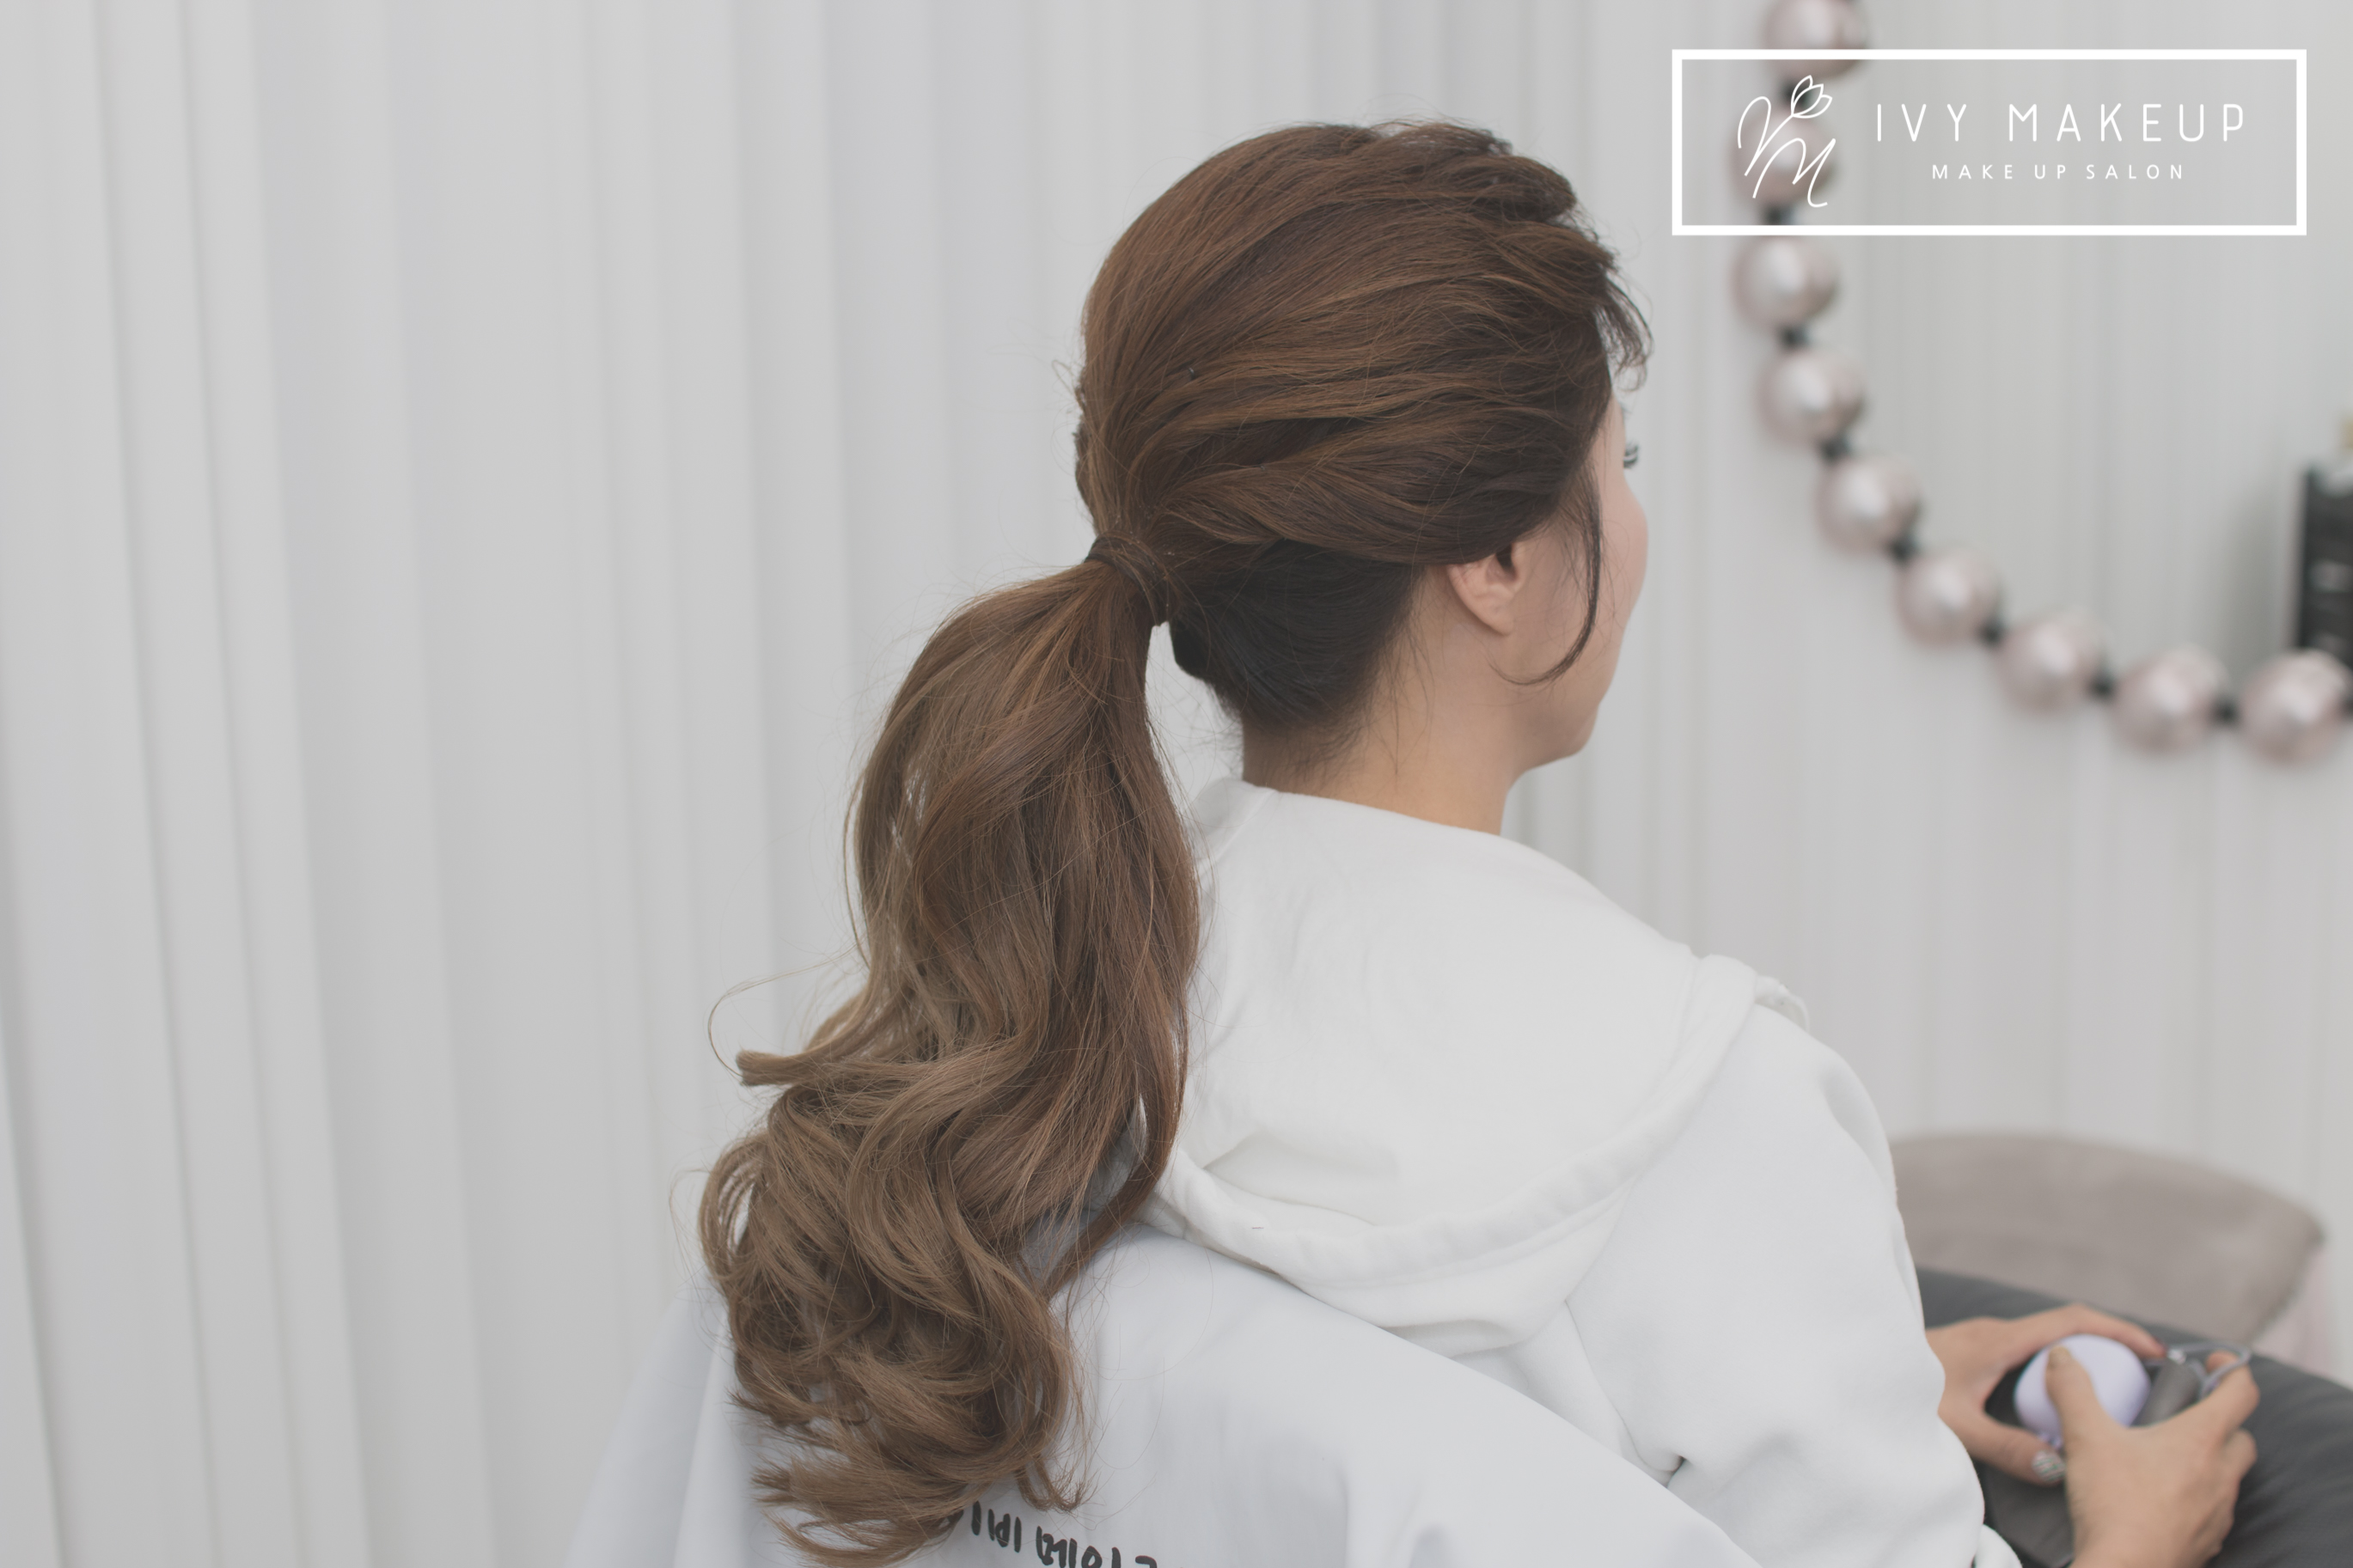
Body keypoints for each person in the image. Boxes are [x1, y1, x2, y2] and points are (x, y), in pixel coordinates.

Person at [697, 122, 2258, 1567]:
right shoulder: (1712, 1120)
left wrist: (1847, 1381)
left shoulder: (1000, 1036)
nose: (1630, 526)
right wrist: (2135, 1542)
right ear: (1499, 559)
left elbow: (1299, 1452)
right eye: (1617, 469)